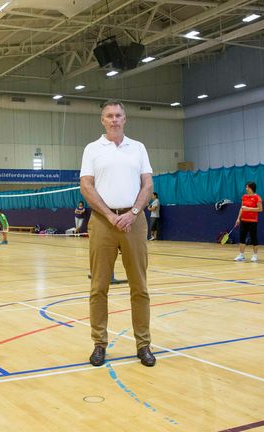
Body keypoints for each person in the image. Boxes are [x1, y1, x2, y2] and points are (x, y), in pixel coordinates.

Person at [80, 99, 155, 368]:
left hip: (134, 221)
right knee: (99, 286)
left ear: (125, 119)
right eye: (109, 115)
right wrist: (111, 216)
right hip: (102, 221)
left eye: (118, 115)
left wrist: (133, 213)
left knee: (140, 286)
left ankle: (143, 344)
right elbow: (86, 187)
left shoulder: (138, 148)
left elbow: (147, 184)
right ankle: (99, 344)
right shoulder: (92, 149)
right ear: (102, 120)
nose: (114, 119)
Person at [233, 182, 263, 262]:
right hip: (243, 220)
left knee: (254, 238)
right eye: (246, 187)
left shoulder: (257, 198)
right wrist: (238, 219)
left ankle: (255, 255)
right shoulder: (244, 197)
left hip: (253, 221)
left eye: (247, 187)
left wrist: (248, 209)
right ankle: (241, 255)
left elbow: (260, 209)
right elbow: (241, 208)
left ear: (251, 188)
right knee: (242, 238)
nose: (246, 189)